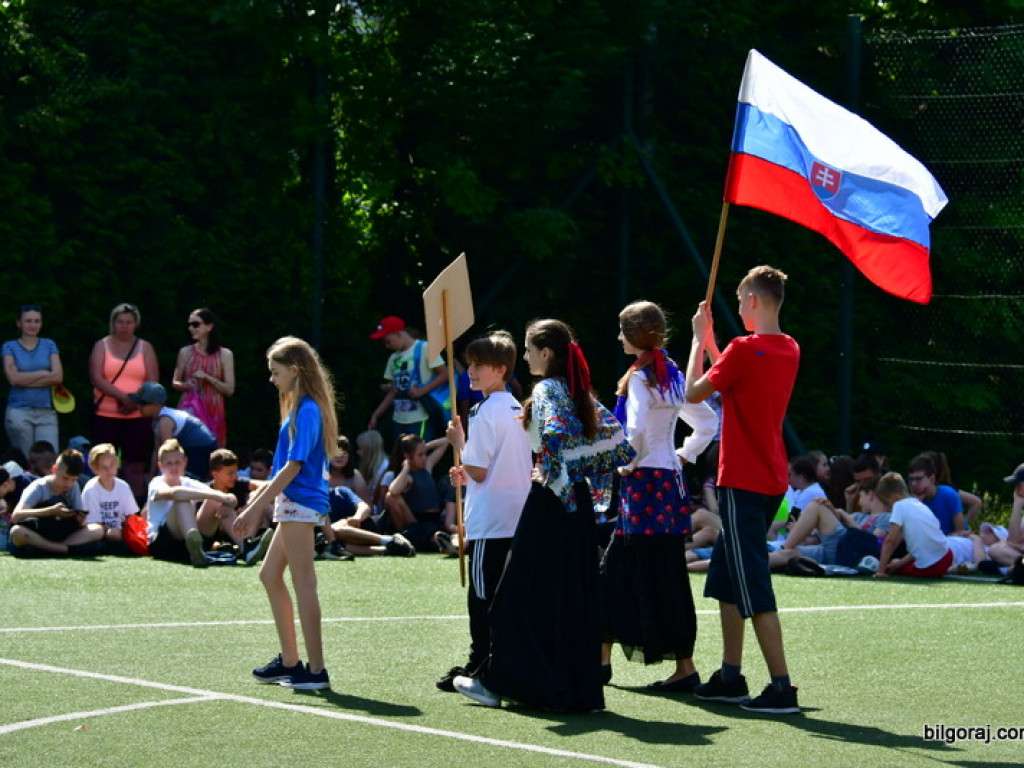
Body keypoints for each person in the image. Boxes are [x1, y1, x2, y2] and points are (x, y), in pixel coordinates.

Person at [453, 319, 633, 712]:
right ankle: (570, 687)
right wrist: (575, 467)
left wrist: (552, 468)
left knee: (515, 597)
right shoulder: (575, 389)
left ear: (546, 353)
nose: (526, 356)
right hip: (576, 508)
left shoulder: (548, 389)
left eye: (530, 349)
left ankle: (498, 683)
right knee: (567, 597)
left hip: (550, 504)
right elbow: (619, 441)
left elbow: (559, 436)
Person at [684, 265, 801, 715]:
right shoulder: (787, 348)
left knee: (752, 584)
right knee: (726, 578)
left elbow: (693, 392)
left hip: (742, 479)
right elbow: (736, 370)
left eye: (739, 301)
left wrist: (698, 340)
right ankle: (730, 676)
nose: (738, 308)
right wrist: (716, 343)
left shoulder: (743, 350)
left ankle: (782, 687)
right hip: (769, 478)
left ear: (752, 300)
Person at [601, 300, 718, 693]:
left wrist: (626, 464)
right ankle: (681, 665)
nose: (619, 337)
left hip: (643, 485)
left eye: (623, 330)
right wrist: (683, 455)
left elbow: (634, 430)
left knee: (620, 570)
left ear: (635, 334)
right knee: (666, 574)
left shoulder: (640, 378)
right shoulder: (672, 375)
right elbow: (708, 423)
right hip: (670, 485)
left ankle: (602, 659)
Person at [233, 336, 339, 691]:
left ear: (295, 370)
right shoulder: (302, 407)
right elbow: (288, 467)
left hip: (300, 503)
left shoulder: (307, 409)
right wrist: (261, 502)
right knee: (269, 575)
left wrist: (254, 507)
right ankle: (291, 662)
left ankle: (316, 671)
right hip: (295, 502)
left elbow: (294, 467)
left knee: (304, 584)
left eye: (276, 372)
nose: (272, 378)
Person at [436, 331, 532, 693]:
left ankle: (480, 664)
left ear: (501, 369)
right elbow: (494, 467)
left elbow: (477, 469)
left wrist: (459, 444)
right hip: (515, 515)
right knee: (503, 596)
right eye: (470, 365)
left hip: (490, 519)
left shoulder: (486, 410)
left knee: (481, 597)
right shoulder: (516, 407)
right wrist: (469, 469)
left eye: (479, 365)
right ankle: (499, 662)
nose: (471, 372)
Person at [89, 303, 160, 501]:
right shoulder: (101, 345)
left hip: (137, 416)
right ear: (113, 323)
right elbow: (97, 378)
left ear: (135, 324)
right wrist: (123, 398)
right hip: (105, 414)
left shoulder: (145, 347)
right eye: (120, 322)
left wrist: (135, 403)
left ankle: (134, 505)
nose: (124, 326)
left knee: (135, 464)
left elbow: (152, 382)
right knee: (103, 462)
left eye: (128, 322)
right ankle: (102, 502)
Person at [146, 438, 239, 567]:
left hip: (188, 545)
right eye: (169, 463)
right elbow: (176, 493)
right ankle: (193, 542)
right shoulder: (156, 483)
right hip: (163, 545)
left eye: (177, 462)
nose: (174, 467)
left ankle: (246, 547)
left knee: (216, 502)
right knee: (182, 501)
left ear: (185, 462)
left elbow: (231, 499)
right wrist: (219, 496)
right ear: (160, 466)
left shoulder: (189, 482)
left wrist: (225, 500)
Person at [367, 316, 448, 443]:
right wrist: (376, 414)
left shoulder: (424, 348)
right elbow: (392, 391)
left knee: (418, 453)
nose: (387, 346)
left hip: (420, 417)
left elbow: (445, 373)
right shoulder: (393, 358)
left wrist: (422, 391)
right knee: (400, 454)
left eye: (388, 341)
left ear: (397, 334)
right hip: (399, 419)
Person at [8, 449, 103, 557]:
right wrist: (50, 511)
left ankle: (53, 548)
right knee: (17, 532)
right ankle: (64, 549)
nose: (69, 484)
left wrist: (80, 518)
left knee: (97, 530)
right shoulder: (38, 487)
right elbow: (16, 516)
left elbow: (79, 515)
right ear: (54, 470)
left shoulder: (74, 487)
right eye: (65, 478)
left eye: (73, 480)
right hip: (39, 531)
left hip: (62, 533)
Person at [3, 304, 64, 457]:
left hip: (45, 411)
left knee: (49, 458)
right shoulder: (10, 347)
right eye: (28, 321)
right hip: (19, 412)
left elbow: (57, 377)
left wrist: (24, 379)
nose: (33, 325)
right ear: (19, 323)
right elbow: (13, 379)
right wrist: (44, 373)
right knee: (26, 459)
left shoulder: (49, 345)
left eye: (37, 321)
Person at [130, 382, 220, 482]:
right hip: (195, 447)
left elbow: (169, 451)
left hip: (200, 448)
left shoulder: (165, 421)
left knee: (192, 481)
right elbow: (157, 450)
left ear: (156, 405)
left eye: (142, 404)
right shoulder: (157, 421)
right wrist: (152, 476)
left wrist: (162, 476)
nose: (138, 407)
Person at [171, 307, 235, 446]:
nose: (191, 328)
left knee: (213, 451)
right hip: (190, 408)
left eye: (195, 324)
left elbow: (229, 389)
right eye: (190, 324)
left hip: (213, 410)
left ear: (209, 327)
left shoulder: (225, 355)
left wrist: (208, 378)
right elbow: (175, 382)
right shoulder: (185, 352)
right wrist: (187, 385)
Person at [874, 471, 953, 578]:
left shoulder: (899, 505)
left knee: (896, 564)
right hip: (947, 556)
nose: (887, 508)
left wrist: (881, 570)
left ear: (895, 498)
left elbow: (890, 541)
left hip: (932, 566)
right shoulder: (918, 504)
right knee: (898, 563)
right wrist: (899, 563)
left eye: (887, 503)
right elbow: (918, 548)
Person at [383, 434, 452, 551]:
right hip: (416, 519)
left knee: (434, 533)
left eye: (425, 454)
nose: (424, 458)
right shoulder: (408, 477)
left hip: (433, 518)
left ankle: (440, 542)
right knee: (391, 498)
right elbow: (393, 491)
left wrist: (424, 447)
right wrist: (405, 468)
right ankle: (403, 536)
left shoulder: (427, 467)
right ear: (407, 456)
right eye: (420, 455)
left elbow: (446, 441)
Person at [81, 442, 140, 551]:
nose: (109, 470)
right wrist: (110, 529)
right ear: (95, 469)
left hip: (119, 531)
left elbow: (131, 515)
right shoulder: (91, 489)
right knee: (105, 533)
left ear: (117, 463)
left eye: (112, 465)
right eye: (104, 467)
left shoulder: (123, 486)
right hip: (100, 531)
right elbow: (92, 521)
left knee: (117, 535)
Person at [907, 453, 965, 535]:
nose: (913, 484)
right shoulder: (911, 501)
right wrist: (917, 505)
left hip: (951, 540)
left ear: (932, 479)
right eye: (911, 479)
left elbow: (960, 532)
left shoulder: (949, 495)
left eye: (918, 479)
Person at [328, 435, 370, 502]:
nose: (340, 455)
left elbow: (367, 504)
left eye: (344, 453)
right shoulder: (318, 475)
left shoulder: (355, 476)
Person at [356, 430, 389, 514]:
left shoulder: (385, 469)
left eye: (360, 449)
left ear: (368, 450)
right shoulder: (372, 467)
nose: (358, 452)